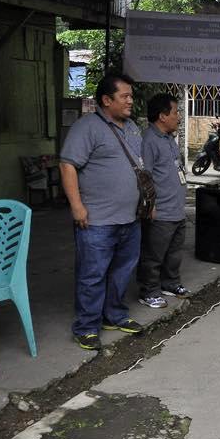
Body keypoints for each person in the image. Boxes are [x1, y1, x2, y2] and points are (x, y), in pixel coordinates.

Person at [60, 74, 145, 350]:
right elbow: (67, 165)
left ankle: (114, 315)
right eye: (125, 96)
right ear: (106, 100)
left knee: (122, 272)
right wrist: (76, 206)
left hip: (130, 218)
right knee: (92, 274)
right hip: (97, 220)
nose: (130, 101)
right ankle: (86, 326)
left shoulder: (132, 127)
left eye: (131, 96)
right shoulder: (87, 127)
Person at [137, 93, 191, 310]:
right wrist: (151, 206)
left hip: (176, 208)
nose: (178, 117)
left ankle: (170, 282)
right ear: (162, 116)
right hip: (161, 212)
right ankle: (148, 291)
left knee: (174, 252)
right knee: (153, 255)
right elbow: (144, 176)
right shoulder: (149, 140)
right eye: (176, 112)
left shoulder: (169, 138)